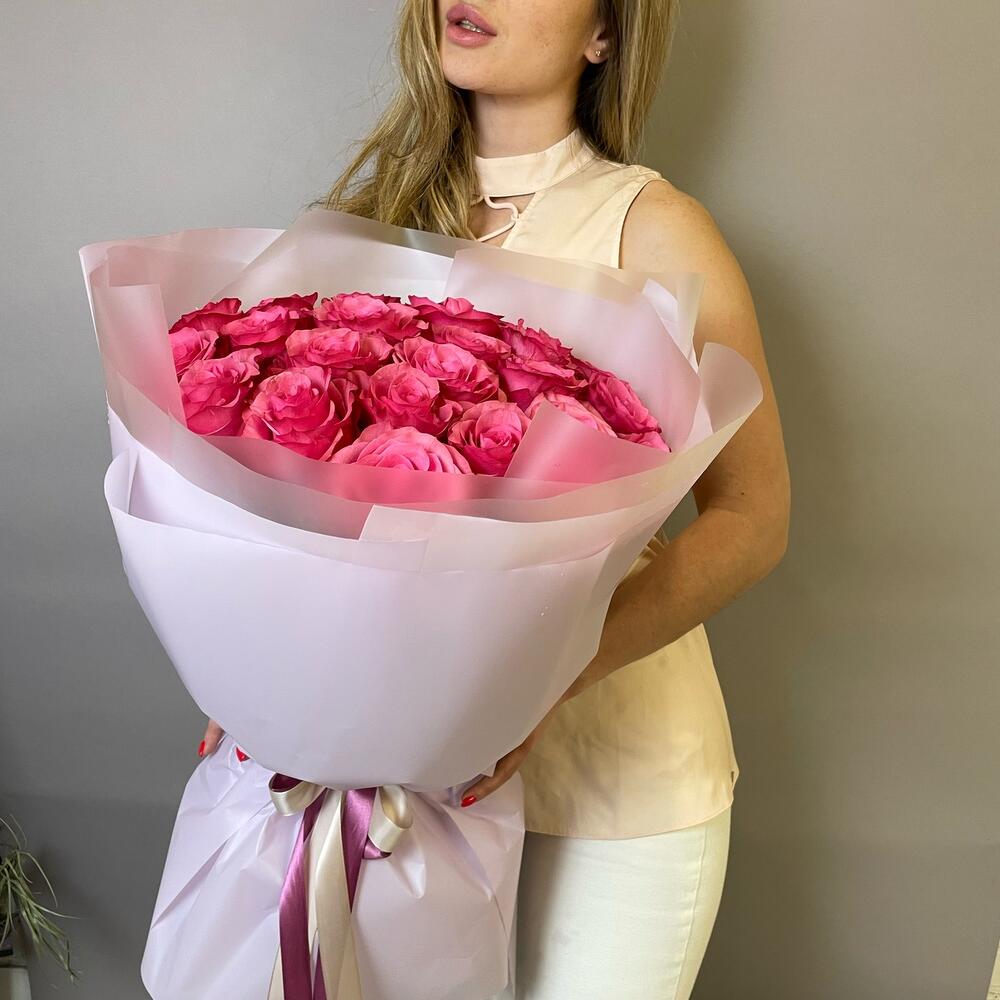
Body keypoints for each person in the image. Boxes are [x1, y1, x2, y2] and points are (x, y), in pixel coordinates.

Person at [200, 2, 791, 997]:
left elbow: (751, 519)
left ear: (605, 34)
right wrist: (256, 669)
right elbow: (303, 505)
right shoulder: (364, 217)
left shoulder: (654, 228)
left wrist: (545, 678)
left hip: (612, 789)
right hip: (407, 787)